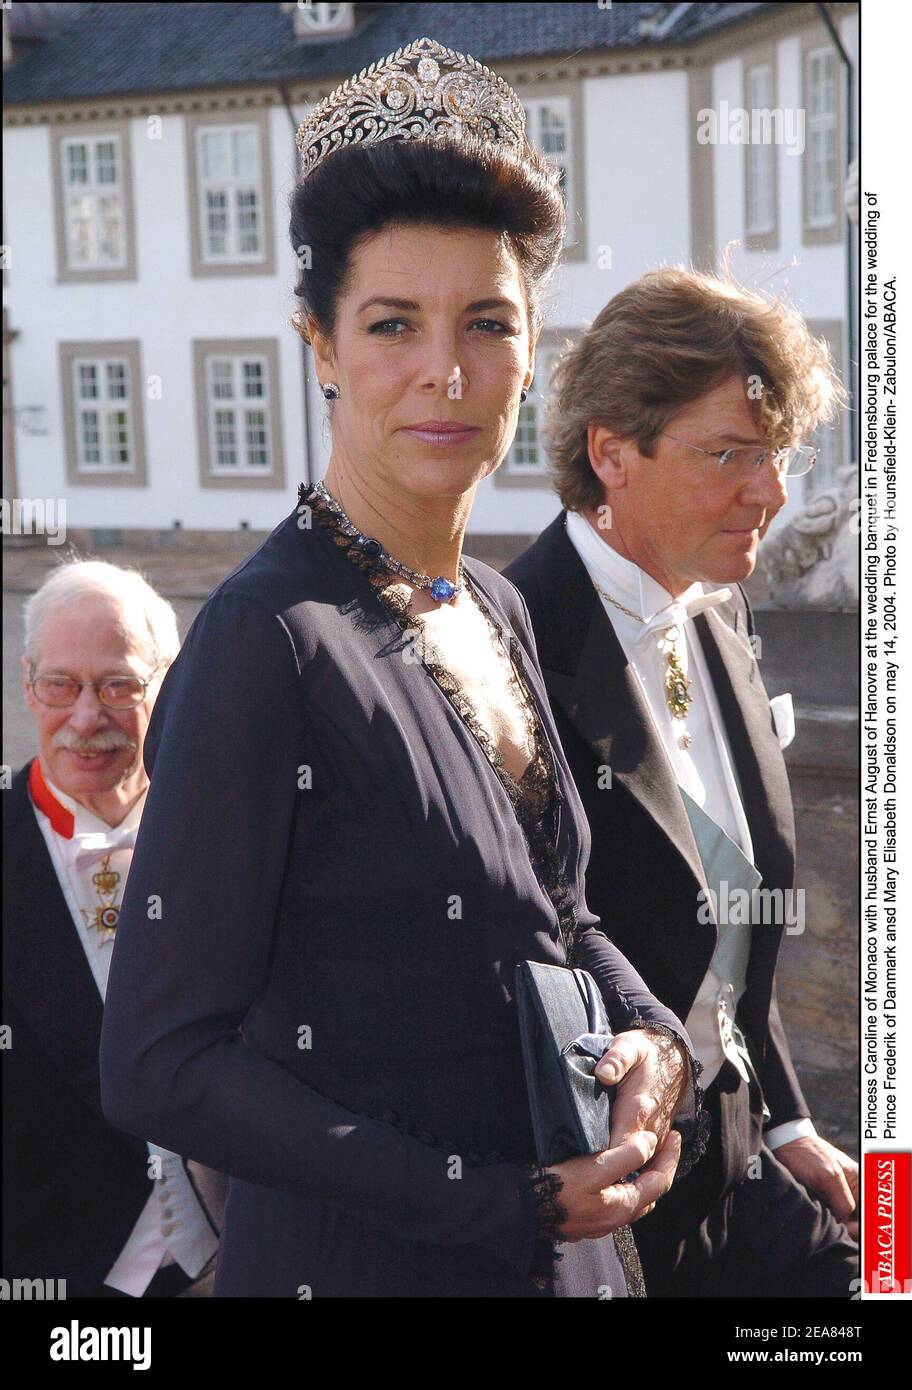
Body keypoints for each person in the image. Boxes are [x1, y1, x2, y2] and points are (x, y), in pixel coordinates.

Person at [99, 38, 702, 1299]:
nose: (446, 370)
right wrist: (489, 1200)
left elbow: (560, 912)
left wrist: (648, 1033)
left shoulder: (493, 604)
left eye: (487, 323)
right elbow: (157, 1059)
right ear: (319, 345)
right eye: (392, 324)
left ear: (532, 349)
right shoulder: (265, 642)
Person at [505, 266, 860, 1297]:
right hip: (612, 1199)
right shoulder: (510, 645)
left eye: (779, 455)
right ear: (610, 452)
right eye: (730, 456)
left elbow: (731, 915)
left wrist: (787, 1117)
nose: (774, 492)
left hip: (749, 1155)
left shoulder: (724, 604)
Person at [3, 560, 224, 1297]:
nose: (87, 716)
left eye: (120, 684)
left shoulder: (232, 833)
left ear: (167, 684)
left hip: (233, 1264)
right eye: (61, 685)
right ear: (28, 682)